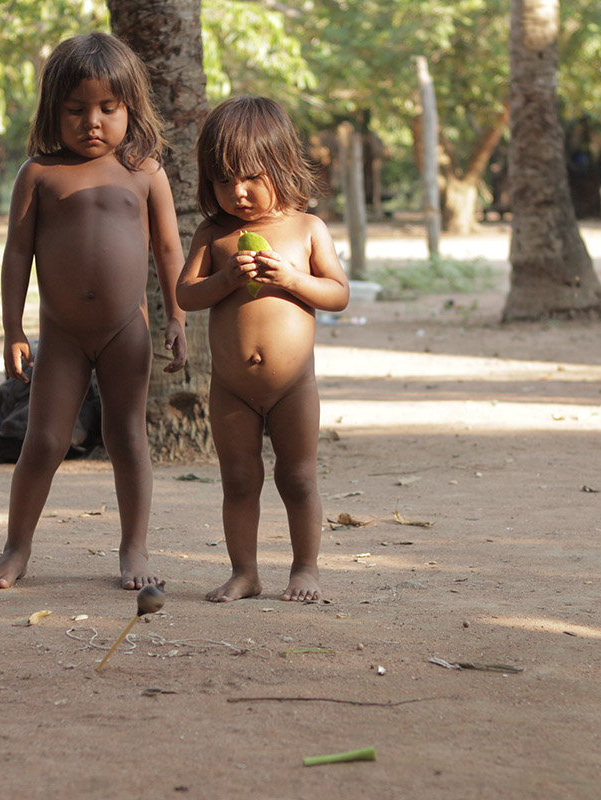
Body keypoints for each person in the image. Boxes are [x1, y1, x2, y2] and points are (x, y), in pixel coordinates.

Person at [0, 33, 187, 590]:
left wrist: (178, 318)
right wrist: (11, 328)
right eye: (75, 110)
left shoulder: (144, 172)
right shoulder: (40, 175)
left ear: (129, 109)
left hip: (127, 331)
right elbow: (17, 252)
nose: (91, 121)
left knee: (127, 438)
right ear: (54, 111)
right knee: (44, 440)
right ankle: (16, 548)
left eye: (107, 109)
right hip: (62, 336)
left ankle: (133, 551)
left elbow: (168, 250)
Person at [176, 96, 349, 602]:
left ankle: (305, 569)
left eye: (251, 177)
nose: (238, 192)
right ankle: (245, 572)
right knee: (239, 479)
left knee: (296, 477)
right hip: (232, 389)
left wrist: (294, 278)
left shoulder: (306, 229)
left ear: (280, 166)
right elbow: (187, 294)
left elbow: (337, 294)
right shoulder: (214, 234)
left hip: (293, 387)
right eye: (223, 181)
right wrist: (226, 278)